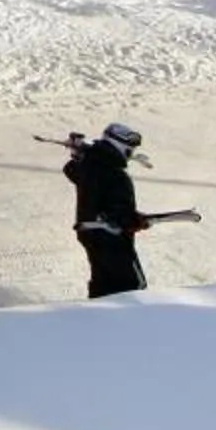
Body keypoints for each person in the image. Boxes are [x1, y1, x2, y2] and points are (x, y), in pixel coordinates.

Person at [64, 122, 152, 298]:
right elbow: (119, 214)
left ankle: (98, 319)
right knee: (132, 285)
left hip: (89, 232)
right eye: (130, 149)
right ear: (119, 145)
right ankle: (126, 322)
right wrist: (136, 221)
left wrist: (80, 154)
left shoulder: (91, 165)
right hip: (110, 235)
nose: (131, 154)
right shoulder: (115, 174)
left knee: (104, 284)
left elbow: (71, 170)